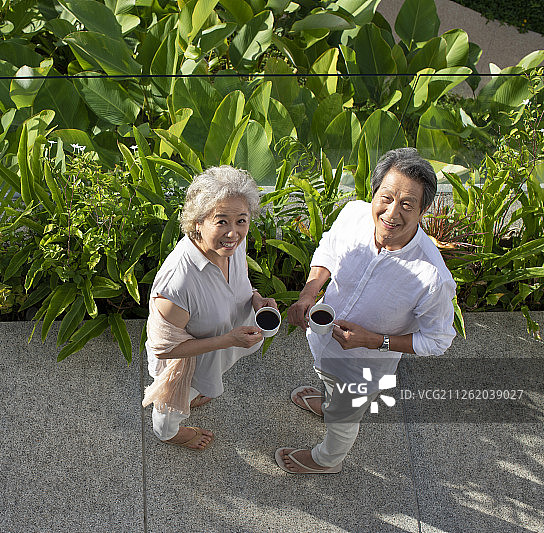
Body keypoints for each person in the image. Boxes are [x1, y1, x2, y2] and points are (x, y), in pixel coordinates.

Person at [276, 148, 456, 473]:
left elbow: (438, 340)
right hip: (321, 340)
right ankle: (329, 404)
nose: (391, 212)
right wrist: (307, 294)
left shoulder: (433, 277)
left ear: (423, 210)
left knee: (346, 417)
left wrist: (373, 340)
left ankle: (326, 460)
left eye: (406, 204)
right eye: (386, 197)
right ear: (374, 193)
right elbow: (328, 248)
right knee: (329, 384)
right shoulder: (354, 214)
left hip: (363, 368)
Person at [142, 166, 277, 450]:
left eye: (242, 220)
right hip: (186, 364)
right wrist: (229, 340)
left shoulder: (231, 245)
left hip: (219, 347)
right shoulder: (178, 283)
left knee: (205, 382)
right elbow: (164, 349)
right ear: (198, 222)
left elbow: (238, 281)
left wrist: (255, 298)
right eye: (221, 221)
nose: (234, 232)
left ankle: (199, 390)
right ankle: (170, 433)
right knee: (169, 412)